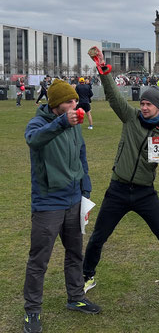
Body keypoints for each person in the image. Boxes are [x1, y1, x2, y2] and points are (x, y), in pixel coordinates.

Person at [83, 47, 159, 302]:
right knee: (99, 236)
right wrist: (103, 71)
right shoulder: (130, 118)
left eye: (148, 104)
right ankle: (86, 275)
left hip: (146, 193)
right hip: (118, 189)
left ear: (158, 107)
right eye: (142, 103)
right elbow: (114, 97)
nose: (144, 107)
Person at [23, 79, 101, 333]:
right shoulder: (39, 123)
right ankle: (32, 312)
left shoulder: (74, 123)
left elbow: (81, 154)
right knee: (39, 260)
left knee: (75, 252)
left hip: (74, 199)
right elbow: (34, 140)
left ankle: (75, 296)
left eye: (76, 100)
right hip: (48, 202)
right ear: (55, 104)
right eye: (69, 101)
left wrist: (85, 188)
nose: (74, 105)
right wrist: (61, 123)